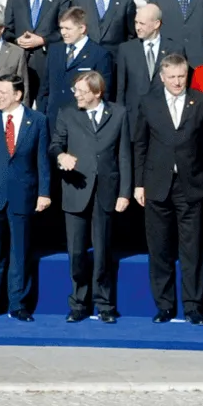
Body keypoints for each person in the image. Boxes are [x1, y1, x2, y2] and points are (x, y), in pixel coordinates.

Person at [134, 53, 203, 325]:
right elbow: (140, 145)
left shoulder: (202, 102)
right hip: (156, 186)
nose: (177, 81)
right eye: (171, 77)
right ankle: (164, 305)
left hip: (190, 187)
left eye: (181, 76)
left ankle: (193, 307)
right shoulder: (148, 102)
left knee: (192, 250)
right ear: (162, 77)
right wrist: (138, 183)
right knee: (159, 249)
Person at [51, 71, 130, 324]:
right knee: (76, 253)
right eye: (76, 90)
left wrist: (125, 192)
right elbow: (55, 145)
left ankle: (104, 304)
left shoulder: (118, 114)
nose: (77, 95)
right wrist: (61, 156)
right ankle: (78, 303)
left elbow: (125, 155)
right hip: (76, 189)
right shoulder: (67, 113)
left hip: (106, 191)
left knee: (103, 251)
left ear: (97, 93)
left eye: (82, 91)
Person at [0, 75, 51, 321]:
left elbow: (42, 160)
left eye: (4, 92)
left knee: (20, 252)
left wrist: (44, 192)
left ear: (18, 95)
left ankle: (18, 304)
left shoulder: (37, 121)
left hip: (23, 194)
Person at [5, 0, 71, 86]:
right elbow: (6, 29)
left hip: (48, 61)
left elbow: (65, 30)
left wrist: (42, 40)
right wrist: (18, 40)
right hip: (20, 62)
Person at [44, 7, 116, 120]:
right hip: (54, 117)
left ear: (82, 28)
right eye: (61, 28)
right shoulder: (54, 50)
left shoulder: (100, 54)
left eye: (68, 28)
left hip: (82, 119)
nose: (63, 32)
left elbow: (104, 92)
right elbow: (45, 88)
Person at [116, 3, 181, 116]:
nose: (137, 27)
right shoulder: (126, 50)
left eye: (142, 23)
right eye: (136, 22)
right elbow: (120, 88)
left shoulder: (174, 49)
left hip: (164, 114)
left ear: (156, 24)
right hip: (134, 115)